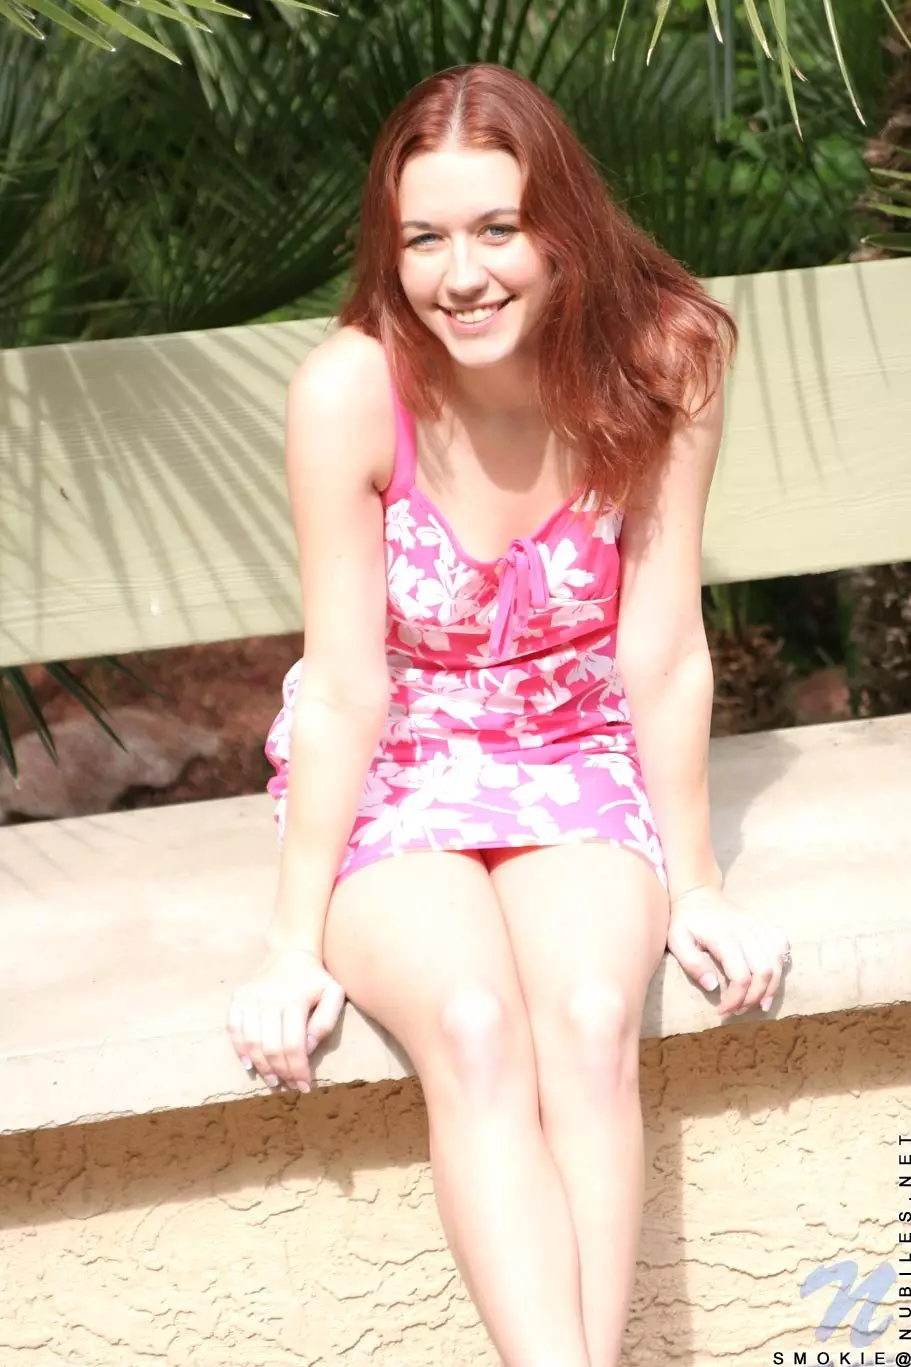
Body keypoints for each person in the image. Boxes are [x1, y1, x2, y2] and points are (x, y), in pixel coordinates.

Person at [226, 62, 791, 1367]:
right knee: (476, 1027)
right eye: (423, 238)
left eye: (497, 228)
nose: (461, 274)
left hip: (576, 745)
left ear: (563, 229)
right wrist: (288, 942)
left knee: (589, 1016)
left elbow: (660, 646)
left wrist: (698, 883)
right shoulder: (350, 391)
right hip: (402, 758)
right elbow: (347, 682)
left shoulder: (667, 358)